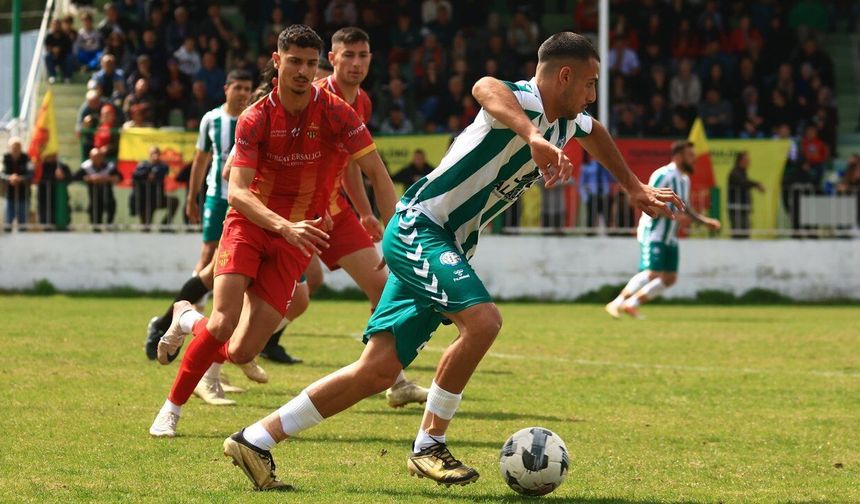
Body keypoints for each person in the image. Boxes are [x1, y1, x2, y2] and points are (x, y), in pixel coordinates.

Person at [221, 32, 681, 491]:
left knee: (378, 370)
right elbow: (484, 86)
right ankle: (428, 445)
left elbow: (596, 133)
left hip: (448, 244)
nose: (593, 95)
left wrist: (633, 187)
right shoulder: (523, 102)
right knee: (483, 322)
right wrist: (531, 135)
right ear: (565, 76)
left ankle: (255, 439)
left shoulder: (570, 122)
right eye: (589, 84)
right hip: (421, 227)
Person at [148, 25, 395, 438]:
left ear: (318, 66)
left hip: (298, 237)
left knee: (243, 349)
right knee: (224, 321)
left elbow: (376, 172)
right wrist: (284, 225)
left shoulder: (337, 111)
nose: (302, 71)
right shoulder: (256, 116)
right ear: (277, 61)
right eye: (294, 62)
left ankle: (187, 316)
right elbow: (238, 192)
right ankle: (172, 408)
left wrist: (391, 232)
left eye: (309, 63)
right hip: (251, 225)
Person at [258, 27, 428, 408]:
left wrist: (366, 213)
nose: (355, 63)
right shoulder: (315, 95)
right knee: (273, 299)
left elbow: (354, 162)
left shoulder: (361, 102)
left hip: (335, 212)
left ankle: (393, 378)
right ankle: (209, 363)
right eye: (347, 55)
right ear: (330, 59)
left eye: (362, 55)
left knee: (383, 286)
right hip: (292, 211)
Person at [605, 140, 720, 320]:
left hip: (670, 237)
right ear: (679, 156)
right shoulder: (663, 175)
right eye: (690, 156)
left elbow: (685, 207)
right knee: (653, 273)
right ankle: (616, 303)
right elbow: (649, 201)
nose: (693, 160)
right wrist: (674, 217)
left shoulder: (685, 179)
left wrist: (705, 221)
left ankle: (631, 304)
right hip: (654, 232)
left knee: (670, 278)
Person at [73, 147, 121, 228]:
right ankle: (96, 227)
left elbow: (120, 177)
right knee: (95, 208)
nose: (97, 159)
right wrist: (90, 178)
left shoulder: (109, 166)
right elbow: (75, 177)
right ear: (90, 157)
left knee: (111, 206)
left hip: (107, 192)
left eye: (99, 156)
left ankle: (109, 224)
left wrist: (106, 178)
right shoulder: (86, 166)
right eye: (95, 157)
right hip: (94, 193)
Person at [727, 151, 764, 239]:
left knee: (744, 234)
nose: (749, 162)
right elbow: (743, 183)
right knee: (739, 234)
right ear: (740, 161)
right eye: (746, 159)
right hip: (736, 209)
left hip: (742, 209)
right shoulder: (735, 173)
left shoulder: (742, 173)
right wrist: (756, 184)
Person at [131, 146, 170, 230]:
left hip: (156, 198)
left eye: (157, 153)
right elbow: (136, 175)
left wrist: (152, 171)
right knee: (145, 225)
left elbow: (162, 172)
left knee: (174, 202)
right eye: (153, 153)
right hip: (143, 198)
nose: (155, 155)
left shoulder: (162, 165)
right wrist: (148, 173)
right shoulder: (143, 164)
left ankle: (164, 225)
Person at [2, 137, 33, 230]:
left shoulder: (26, 158)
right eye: (13, 147)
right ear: (9, 148)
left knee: (23, 224)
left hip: (23, 195)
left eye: (17, 147)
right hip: (9, 195)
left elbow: (31, 173)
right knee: (7, 223)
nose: (15, 149)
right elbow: (1, 173)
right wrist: (10, 178)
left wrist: (20, 179)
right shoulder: (5, 158)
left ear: (20, 148)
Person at [36, 154, 72, 229]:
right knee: (46, 222)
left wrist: (63, 176)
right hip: (45, 200)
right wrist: (54, 176)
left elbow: (71, 177)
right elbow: (38, 178)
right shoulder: (40, 167)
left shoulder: (62, 166)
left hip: (60, 200)